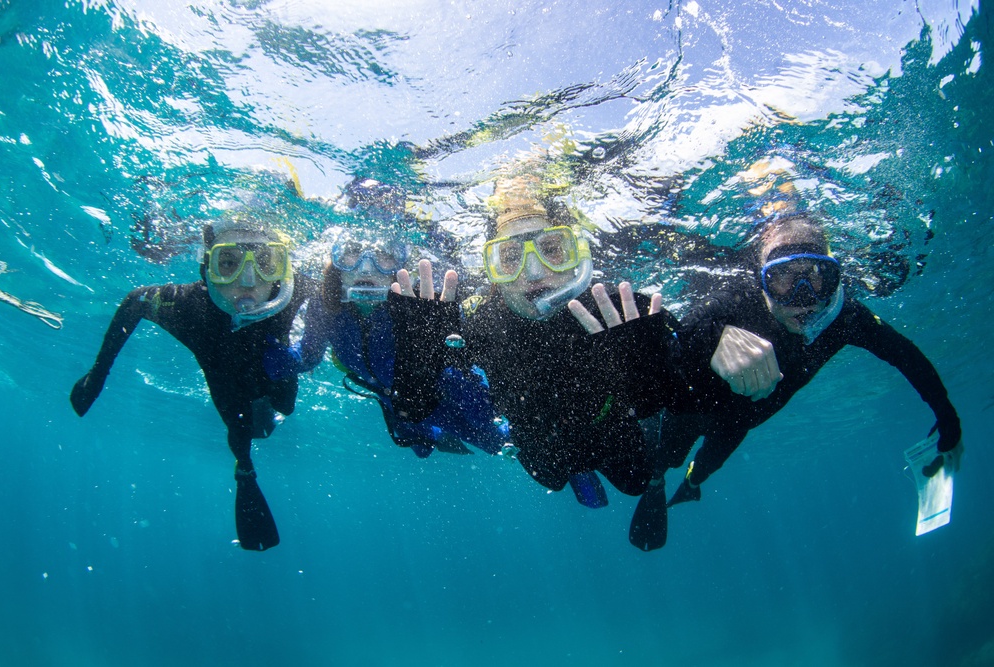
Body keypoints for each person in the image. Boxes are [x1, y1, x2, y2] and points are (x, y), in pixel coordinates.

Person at [621, 212, 963, 551]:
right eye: (782, 278)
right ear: (762, 279)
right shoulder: (737, 298)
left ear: (835, 278)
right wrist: (715, 337)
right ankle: (658, 481)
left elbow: (905, 355)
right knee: (663, 460)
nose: (803, 297)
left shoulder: (845, 318)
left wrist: (947, 417)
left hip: (740, 422)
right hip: (693, 408)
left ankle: (693, 481)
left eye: (816, 276)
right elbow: (674, 339)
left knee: (707, 466)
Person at [388, 174, 682, 509]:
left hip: (612, 432)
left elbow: (696, 393)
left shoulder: (618, 313)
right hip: (543, 447)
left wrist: (656, 381)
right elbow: (412, 407)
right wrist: (417, 359)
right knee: (552, 477)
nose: (532, 272)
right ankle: (582, 477)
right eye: (511, 257)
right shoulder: (480, 324)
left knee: (637, 481)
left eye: (553, 250)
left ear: (577, 255)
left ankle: (655, 482)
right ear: (492, 270)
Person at [69, 214, 318, 551]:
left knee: (280, 410)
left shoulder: (297, 288)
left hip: (278, 381)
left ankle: (248, 453)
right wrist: (97, 376)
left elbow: (339, 299)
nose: (248, 280)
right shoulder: (190, 307)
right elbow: (135, 301)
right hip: (227, 386)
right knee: (240, 428)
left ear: (281, 267)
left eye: (264, 262)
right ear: (207, 268)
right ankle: (244, 469)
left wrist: (308, 353)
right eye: (227, 263)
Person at [262, 179, 509, 459]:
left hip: (440, 399)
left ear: (400, 265)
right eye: (352, 252)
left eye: (384, 255)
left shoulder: (418, 308)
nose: (366, 267)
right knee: (419, 446)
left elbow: (468, 384)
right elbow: (306, 355)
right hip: (392, 401)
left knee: (497, 441)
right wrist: (261, 355)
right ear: (336, 262)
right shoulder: (324, 306)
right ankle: (433, 436)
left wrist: (444, 363)